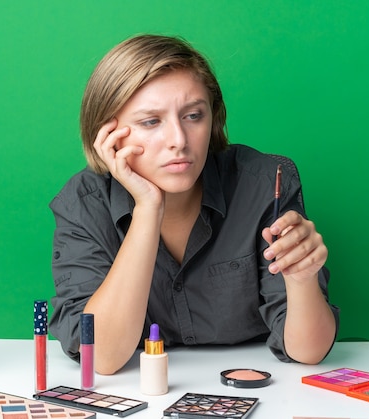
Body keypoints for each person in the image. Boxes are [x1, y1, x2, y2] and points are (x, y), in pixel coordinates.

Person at [49, 34, 339, 375]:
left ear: (212, 120)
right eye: (151, 121)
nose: (179, 141)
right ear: (108, 136)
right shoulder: (84, 204)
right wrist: (147, 208)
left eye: (193, 116)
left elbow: (309, 353)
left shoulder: (264, 183)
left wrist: (303, 279)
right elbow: (102, 357)